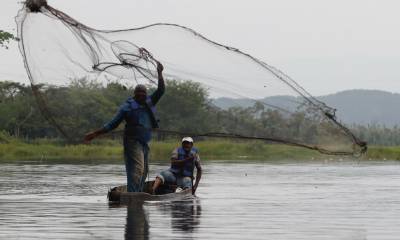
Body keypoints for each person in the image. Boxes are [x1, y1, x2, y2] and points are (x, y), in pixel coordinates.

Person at [84, 61, 165, 192]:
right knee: (137, 169)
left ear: (146, 94)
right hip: (132, 141)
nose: (141, 95)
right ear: (134, 93)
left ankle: (137, 194)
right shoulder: (127, 107)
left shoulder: (149, 102)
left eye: (143, 93)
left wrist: (160, 73)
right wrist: (95, 133)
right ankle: (132, 195)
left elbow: (161, 90)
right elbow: (112, 124)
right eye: (139, 93)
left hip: (144, 142)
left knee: (144, 171)